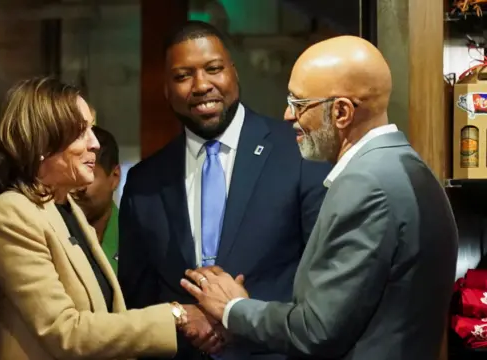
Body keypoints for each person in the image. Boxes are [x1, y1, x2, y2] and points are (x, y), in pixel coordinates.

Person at [181, 35, 459, 360]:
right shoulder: (407, 166)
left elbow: (316, 331)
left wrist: (233, 308)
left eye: (298, 104)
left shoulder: (366, 185)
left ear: (341, 113)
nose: (287, 115)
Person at [0, 77, 224, 360]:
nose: (95, 143)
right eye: (80, 132)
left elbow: (102, 315)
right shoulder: (11, 213)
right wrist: (176, 315)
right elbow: (65, 332)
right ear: (41, 141)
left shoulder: (66, 208)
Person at [118, 20, 332, 360]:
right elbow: (137, 295)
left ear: (234, 73)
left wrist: (239, 319)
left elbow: (326, 277)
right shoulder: (145, 182)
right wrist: (185, 322)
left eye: (213, 69)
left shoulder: (298, 152)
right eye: (183, 76)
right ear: (166, 90)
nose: (201, 85)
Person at [72, 125, 121, 272]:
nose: (74, 187)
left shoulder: (136, 239)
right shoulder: (52, 232)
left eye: (87, 172)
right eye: (71, 173)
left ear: (114, 177)